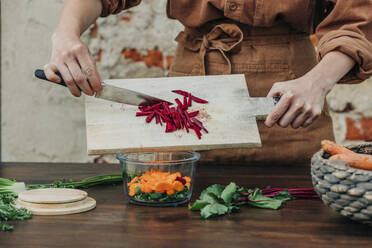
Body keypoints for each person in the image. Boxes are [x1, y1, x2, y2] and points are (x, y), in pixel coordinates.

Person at [44, 0, 372, 165]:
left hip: (290, 91)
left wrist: (318, 81)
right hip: (191, 80)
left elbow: (359, 15)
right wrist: (66, 33)